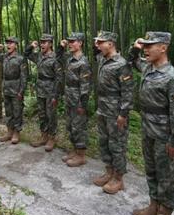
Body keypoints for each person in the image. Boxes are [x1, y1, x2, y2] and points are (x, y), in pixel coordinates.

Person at [128, 31, 174, 215]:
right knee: (152, 170)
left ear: (163, 47)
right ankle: (154, 205)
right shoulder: (148, 68)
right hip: (148, 130)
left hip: (165, 135)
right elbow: (132, 60)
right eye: (144, 45)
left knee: (168, 176)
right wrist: (135, 47)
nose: (145, 49)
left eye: (150, 45)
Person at [91, 31, 133, 194]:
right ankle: (109, 171)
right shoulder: (102, 59)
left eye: (102, 42)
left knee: (117, 144)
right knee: (104, 142)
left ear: (111, 43)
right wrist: (96, 44)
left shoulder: (122, 64)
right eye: (98, 42)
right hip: (102, 108)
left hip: (116, 111)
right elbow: (95, 52)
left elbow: (128, 91)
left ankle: (118, 178)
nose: (98, 45)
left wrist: (123, 113)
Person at [56, 32, 91, 167]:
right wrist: (61, 46)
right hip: (69, 96)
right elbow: (58, 57)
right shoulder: (69, 59)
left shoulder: (83, 62)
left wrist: (83, 104)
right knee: (70, 126)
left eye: (73, 41)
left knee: (79, 127)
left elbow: (86, 85)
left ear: (80, 43)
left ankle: (81, 155)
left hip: (78, 98)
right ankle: (75, 151)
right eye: (69, 41)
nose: (70, 43)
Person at [24, 34, 63, 151]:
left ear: (50, 44)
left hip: (51, 90)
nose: (42, 44)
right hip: (40, 88)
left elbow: (59, 77)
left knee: (51, 115)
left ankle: (52, 138)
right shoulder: (39, 56)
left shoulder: (56, 57)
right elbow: (26, 55)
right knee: (42, 114)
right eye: (41, 42)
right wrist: (31, 46)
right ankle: (43, 136)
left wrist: (56, 94)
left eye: (45, 42)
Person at [0, 36, 28, 144]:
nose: (8, 45)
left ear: (16, 45)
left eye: (11, 43)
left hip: (16, 87)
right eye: (7, 43)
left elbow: (24, 77)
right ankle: (9, 132)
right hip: (6, 86)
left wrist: (21, 91)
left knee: (17, 111)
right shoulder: (4, 57)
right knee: (8, 111)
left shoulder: (20, 59)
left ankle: (17, 132)